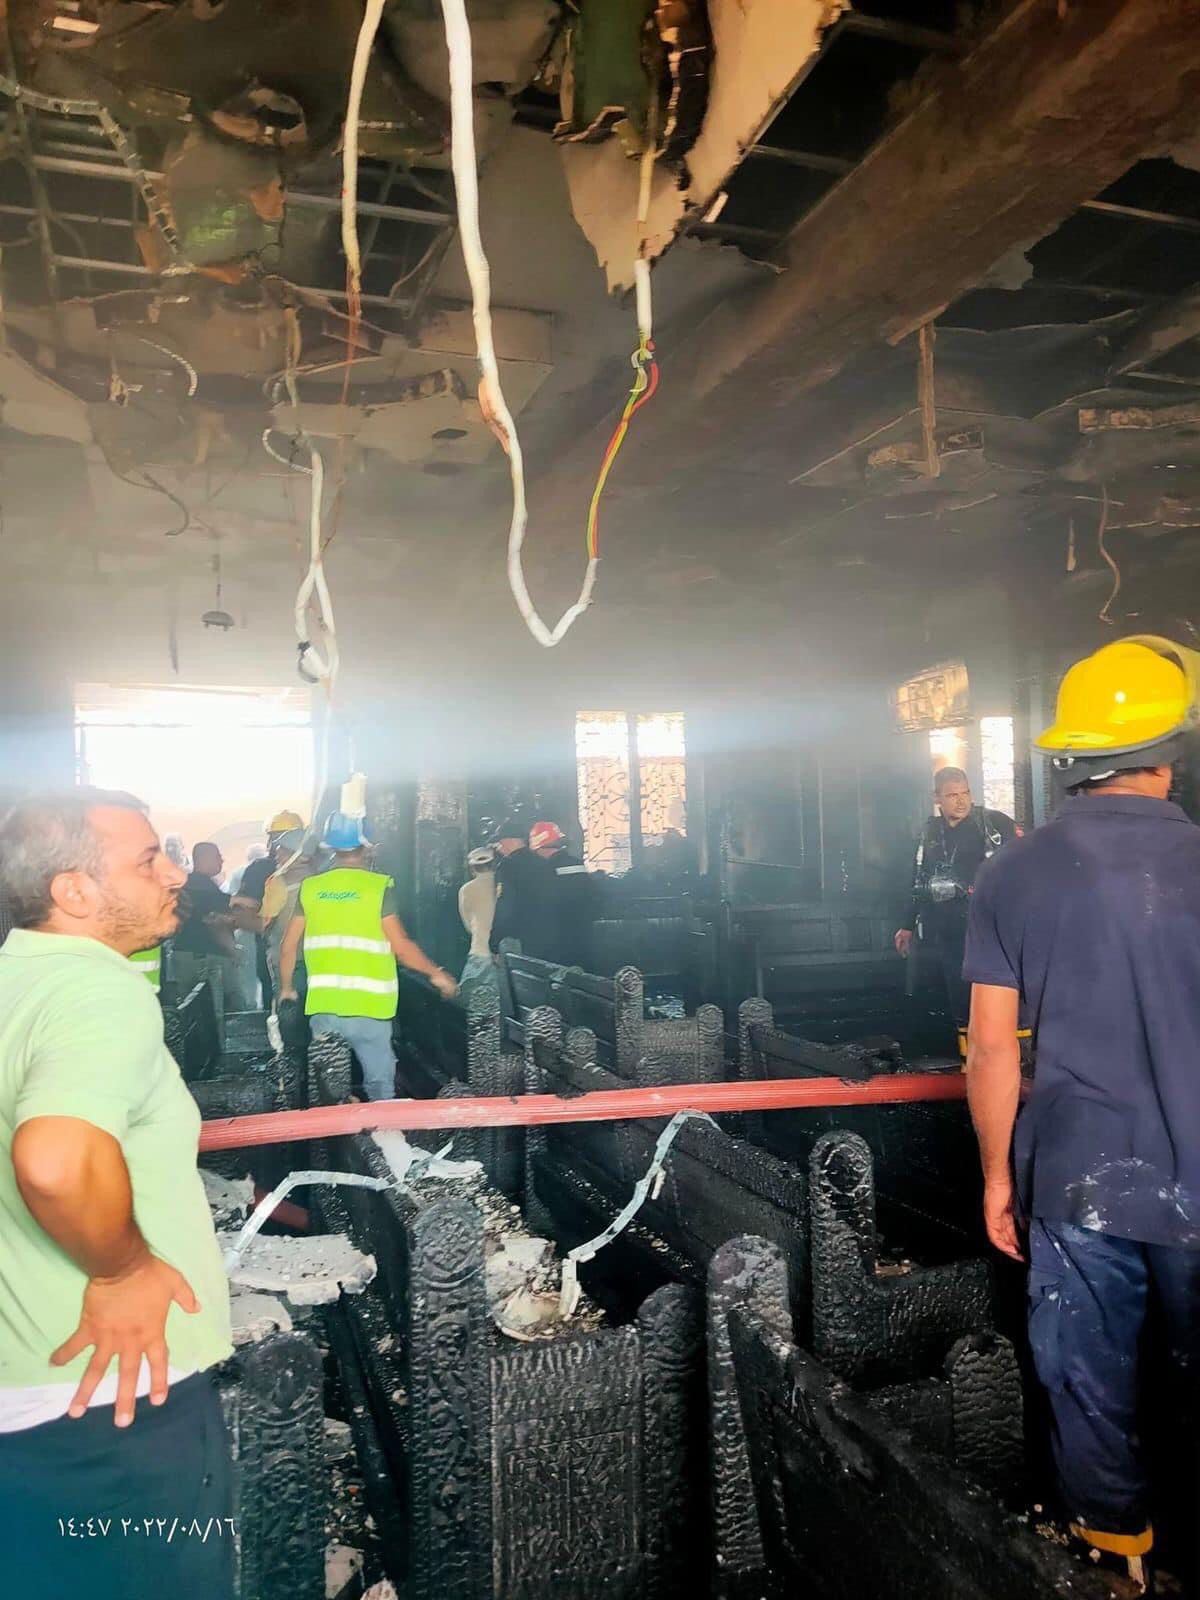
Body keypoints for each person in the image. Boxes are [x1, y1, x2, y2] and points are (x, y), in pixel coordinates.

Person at [964, 635, 1200, 1589]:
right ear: (1169, 750)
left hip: (1079, 1174)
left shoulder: (1013, 871)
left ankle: (1114, 1555)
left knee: (1090, 1372)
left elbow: (991, 1047)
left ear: (1071, 752)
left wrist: (997, 1175)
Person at [0, 789, 234, 1600]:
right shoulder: (97, 991)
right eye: (147, 860)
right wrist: (123, 1269)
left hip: (28, 1396)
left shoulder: (14, 979)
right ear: (74, 891)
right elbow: (55, 1160)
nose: (174, 873)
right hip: (115, 1408)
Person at [277, 812, 458, 1101]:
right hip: (370, 1009)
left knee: (327, 1089)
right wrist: (436, 974)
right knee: (380, 1088)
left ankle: (337, 1123)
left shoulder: (310, 888)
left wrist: (286, 988)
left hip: (325, 1007)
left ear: (330, 846)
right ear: (367, 846)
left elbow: (288, 945)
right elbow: (401, 947)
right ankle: (379, 1126)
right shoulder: (378, 887)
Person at [894, 765, 1018, 1058]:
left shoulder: (994, 825)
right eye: (952, 795)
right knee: (959, 999)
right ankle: (968, 1063)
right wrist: (907, 924)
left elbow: (1021, 870)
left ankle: (1013, 1063)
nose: (961, 801)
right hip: (948, 929)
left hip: (991, 928)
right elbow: (918, 880)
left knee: (998, 996)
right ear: (937, 798)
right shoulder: (929, 833)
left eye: (965, 793)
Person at [172, 842, 246, 1039]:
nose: (222, 860)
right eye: (217, 856)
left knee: (192, 1015)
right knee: (226, 1010)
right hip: (209, 959)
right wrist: (232, 950)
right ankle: (221, 1051)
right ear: (203, 858)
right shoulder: (205, 888)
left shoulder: (183, 886)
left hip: (184, 957)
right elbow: (216, 923)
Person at [231, 811, 304, 1010]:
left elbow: (248, 915)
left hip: (284, 954)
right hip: (298, 956)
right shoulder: (320, 870)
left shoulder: (268, 873)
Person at [530, 820, 597, 970]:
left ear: (539, 847)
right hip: (583, 938)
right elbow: (593, 897)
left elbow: (543, 906)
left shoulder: (544, 870)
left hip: (555, 945)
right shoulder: (577, 864)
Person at [489, 816, 556, 960]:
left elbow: (505, 907)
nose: (500, 846)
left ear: (509, 840)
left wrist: (494, 943)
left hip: (522, 939)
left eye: (500, 841)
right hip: (548, 937)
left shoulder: (508, 866)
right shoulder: (544, 863)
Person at [458, 846, 498, 996]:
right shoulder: (503, 884)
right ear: (494, 864)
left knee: (475, 1001)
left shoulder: (467, 890)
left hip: (480, 952)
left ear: (472, 868)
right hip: (505, 955)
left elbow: (468, 925)